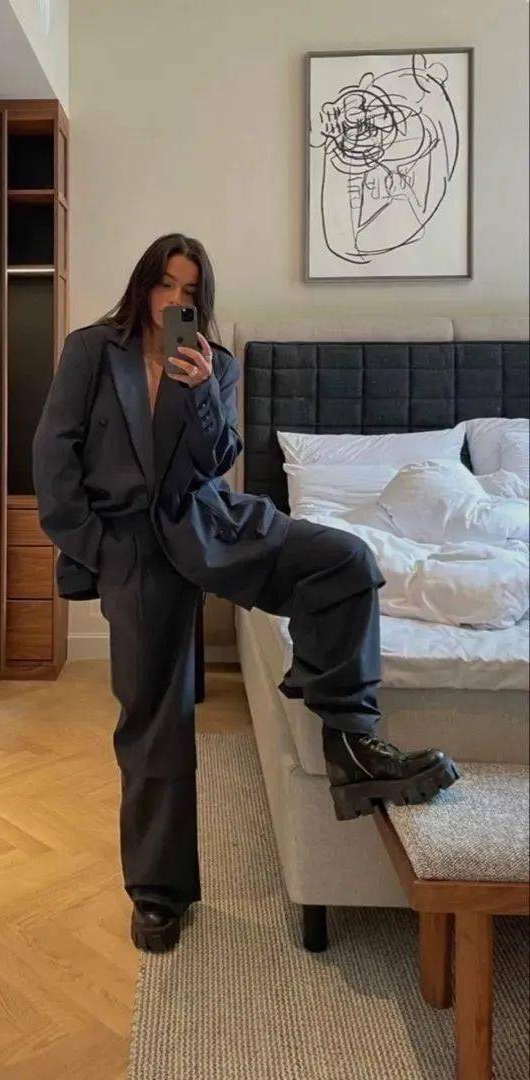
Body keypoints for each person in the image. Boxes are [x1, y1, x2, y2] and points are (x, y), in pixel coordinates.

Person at [32, 233, 460, 954]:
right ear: (143, 284)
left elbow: (218, 459)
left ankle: (349, 742)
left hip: (211, 524)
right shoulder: (91, 351)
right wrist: (99, 550)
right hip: (133, 546)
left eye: (189, 292)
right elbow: (53, 456)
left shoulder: (218, 363)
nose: (174, 300)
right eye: (165, 284)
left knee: (345, 561)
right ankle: (158, 894)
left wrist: (201, 393)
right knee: (155, 716)